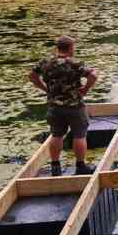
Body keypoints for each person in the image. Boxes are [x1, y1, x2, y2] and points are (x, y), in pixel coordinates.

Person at [29, 35, 98, 177]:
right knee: (79, 135)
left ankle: (55, 167)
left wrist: (45, 89)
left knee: (56, 135)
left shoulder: (45, 63)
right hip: (75, 106)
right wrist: (85, 89)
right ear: (70, 48)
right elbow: (93, 75)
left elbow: (32, 76)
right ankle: (80, 166)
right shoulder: (75, 63)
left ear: (58, 47)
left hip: (54, 107)